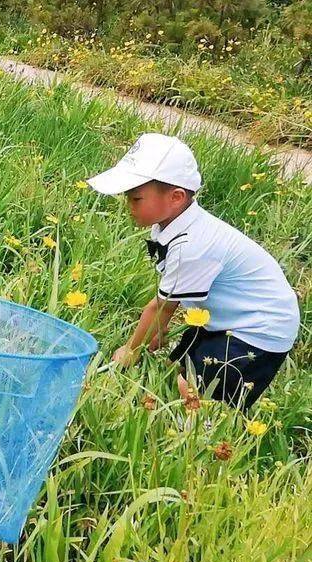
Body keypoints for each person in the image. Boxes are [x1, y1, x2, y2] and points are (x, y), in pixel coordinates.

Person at [88, 133, 300, 409]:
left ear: (176, 197)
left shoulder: (193, 244)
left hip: (258, 331)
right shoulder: (170, 226)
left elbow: (162, 307)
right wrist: (154, 334)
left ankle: (206, 438)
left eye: (136, 198)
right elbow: (171, 299)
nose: (128, 205)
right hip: (226, 320)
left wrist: (131, 350)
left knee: (195, 391)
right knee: (174, 369)